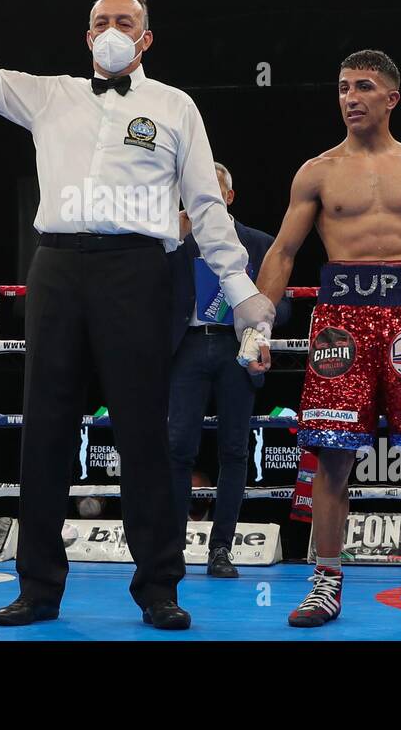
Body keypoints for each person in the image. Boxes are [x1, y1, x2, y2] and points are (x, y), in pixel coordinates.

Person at [0, 0, 275, 630]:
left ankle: (158, 589)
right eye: (100, 21)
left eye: (124, 20)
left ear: (146, 37)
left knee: (147, 432)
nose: (111, 30)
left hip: (139, 271)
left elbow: (206, 207)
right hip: (57, 266)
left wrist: (241, 295)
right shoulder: (51, 94)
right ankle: (37, 587)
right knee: (46, 431)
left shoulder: (174, 106)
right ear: (86, 34)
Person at [251, 49, 401, 631]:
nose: (350, 97)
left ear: (392, 97)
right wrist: (258, 323)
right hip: (343, 322)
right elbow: (283, 251)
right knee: (332, 457)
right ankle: (325, 583)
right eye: (341, 87)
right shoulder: (317, 171)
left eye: (363, 86)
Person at [168, 162, 291, 577]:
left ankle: (221, 549)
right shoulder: (172, 242)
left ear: (230, 197)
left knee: (235, 451)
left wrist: (258, 327)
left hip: (235, 348)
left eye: (213, 190)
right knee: (178, 448)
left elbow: (284, 304)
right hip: (185, 349)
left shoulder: (259, 245)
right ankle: (170, 547)